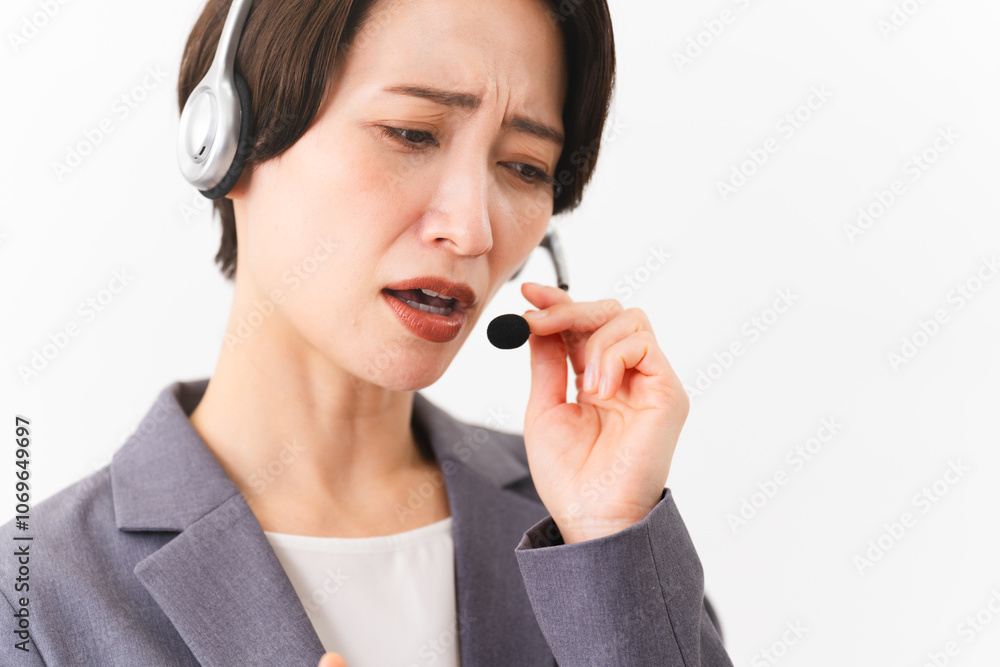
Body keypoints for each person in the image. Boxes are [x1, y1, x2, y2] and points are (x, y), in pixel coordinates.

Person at [0, 0, 735, 665]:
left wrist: (610, 541)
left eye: (523, 166)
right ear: (228, 137)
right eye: (411, 133)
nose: (473, 230)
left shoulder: (592, 527)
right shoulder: (35, 598)